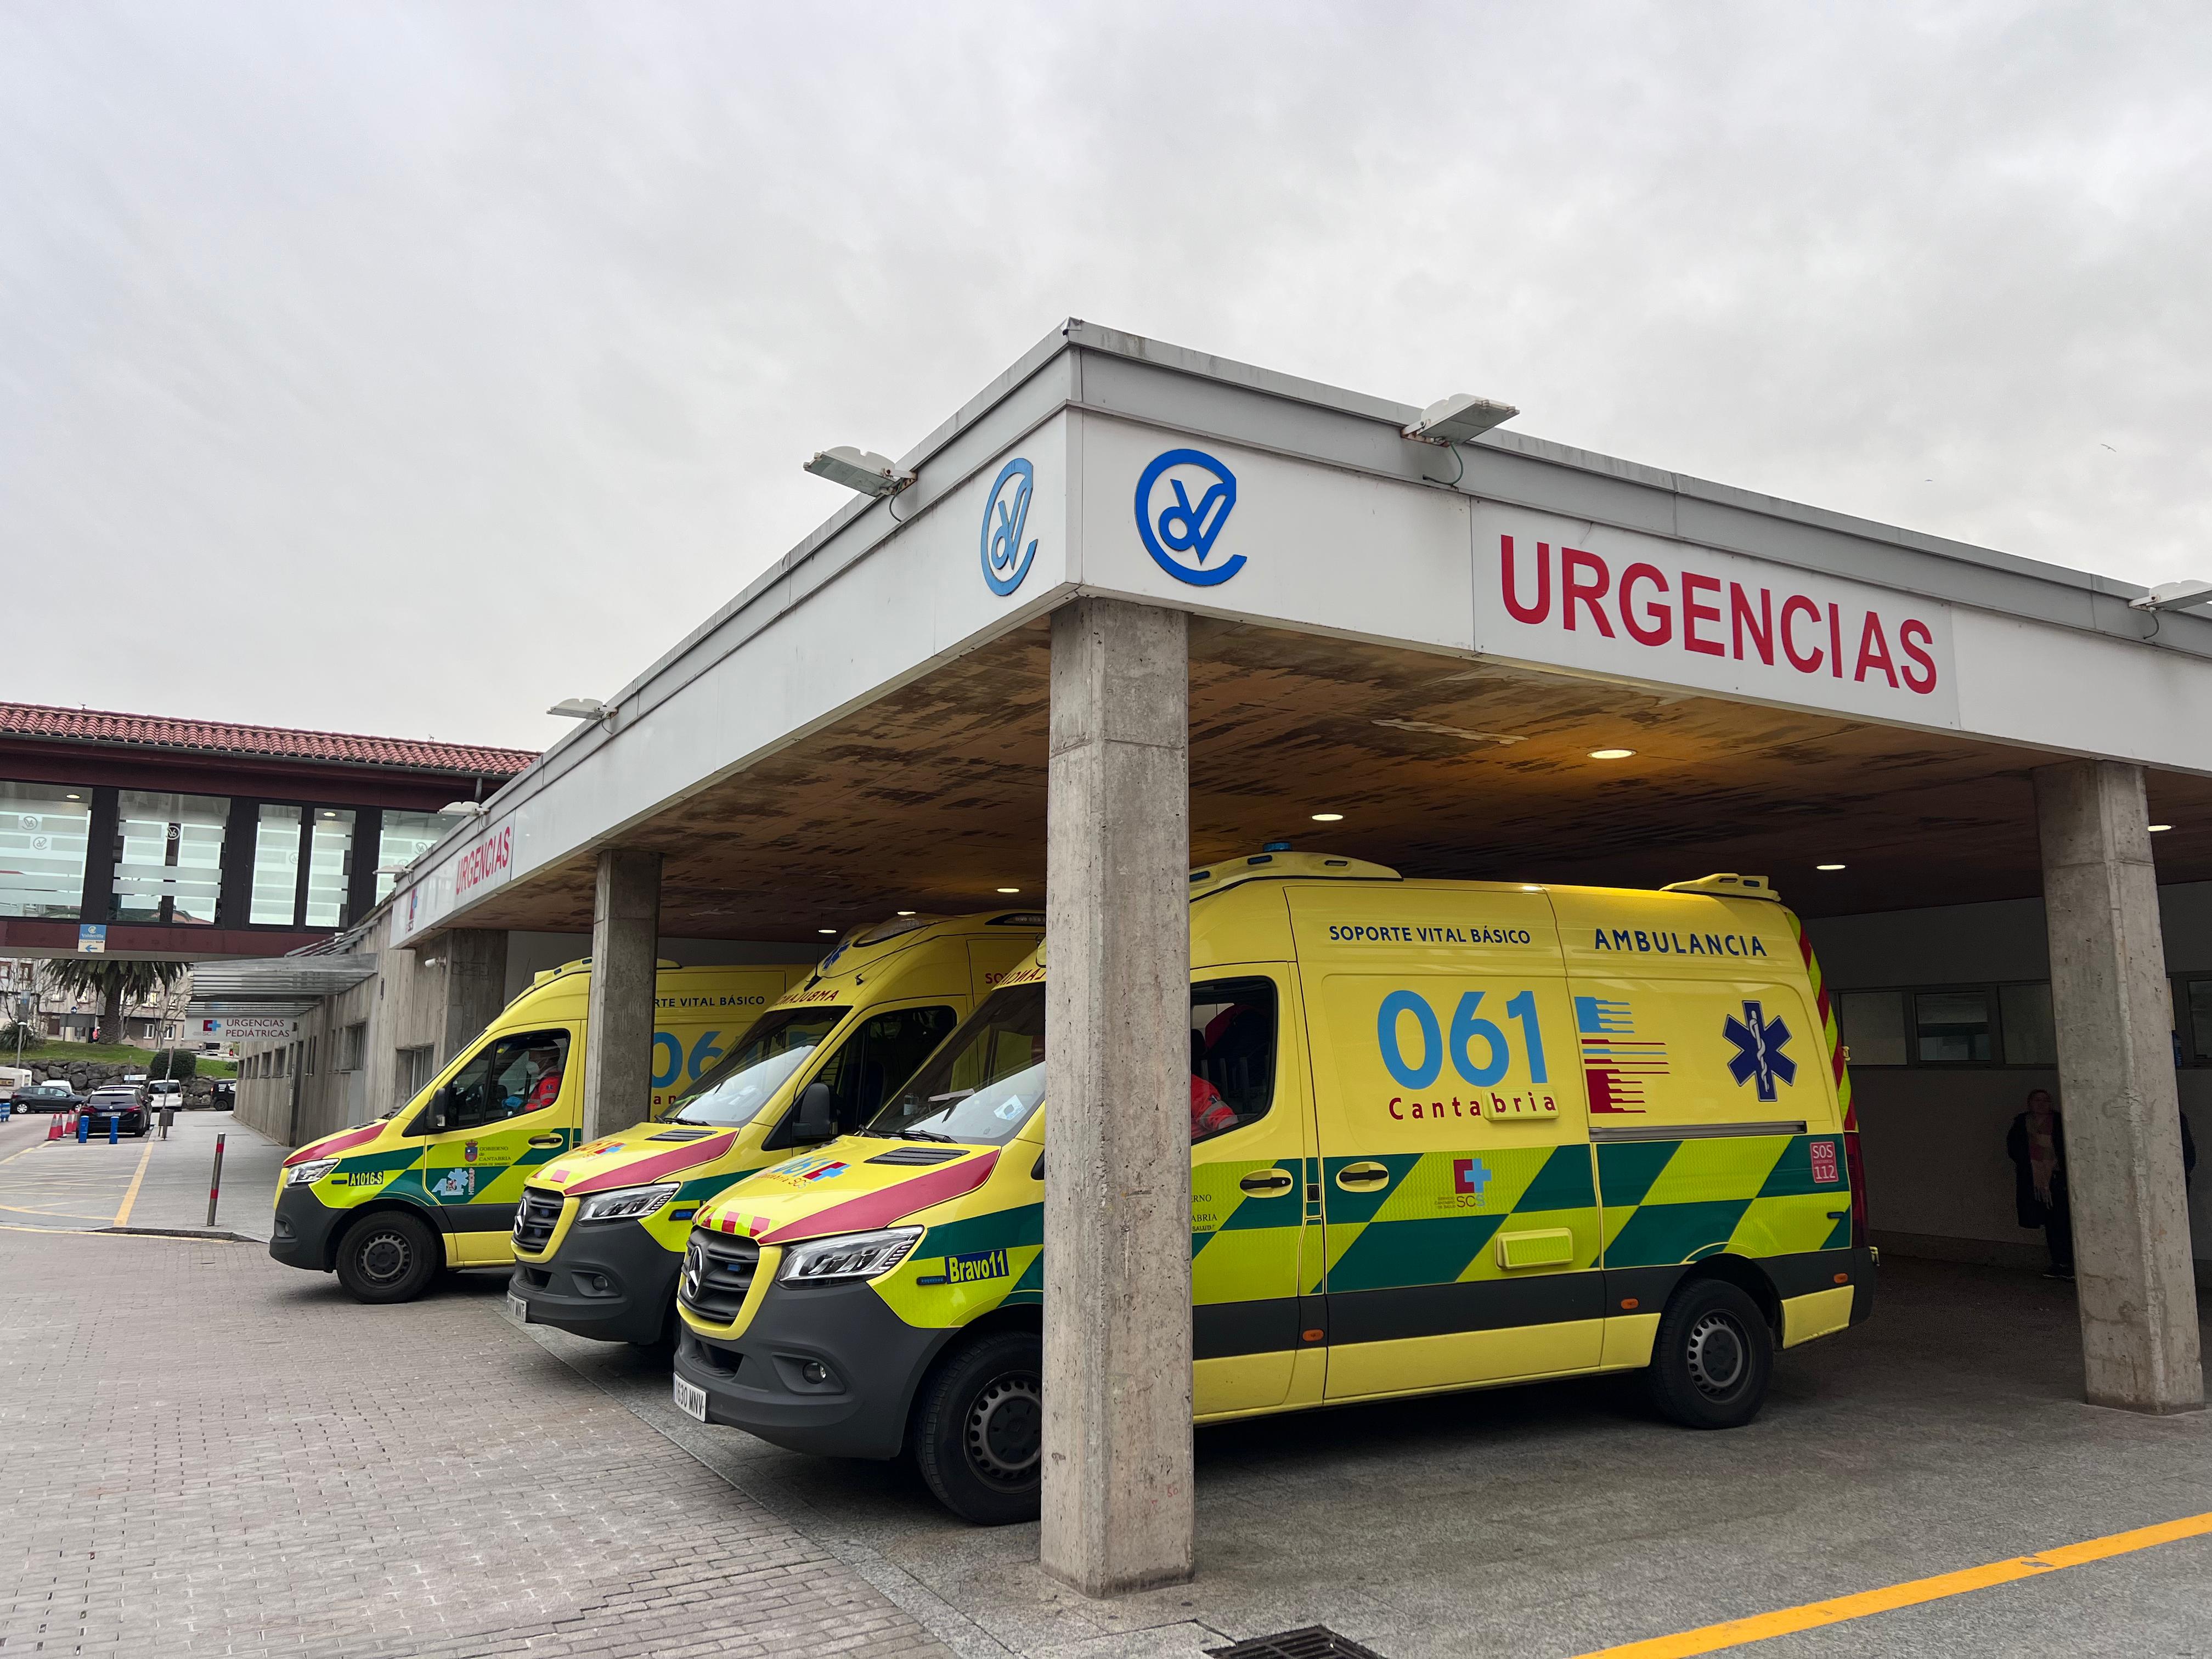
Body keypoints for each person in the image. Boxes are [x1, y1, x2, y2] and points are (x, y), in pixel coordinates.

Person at [2006, 1088, 2071, 1278]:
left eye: (2046, 1100)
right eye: (2037, 1100)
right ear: (2030, 1103)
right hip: (2036, 1182)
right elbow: (2014, 1149)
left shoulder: (2059, 1122)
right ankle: (2058, 1262)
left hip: (2058, 1179)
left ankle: (2067, 1263)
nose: (2042, 1104)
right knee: (2049, 1222)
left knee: (2062, 1221)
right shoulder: (2021, 1124)